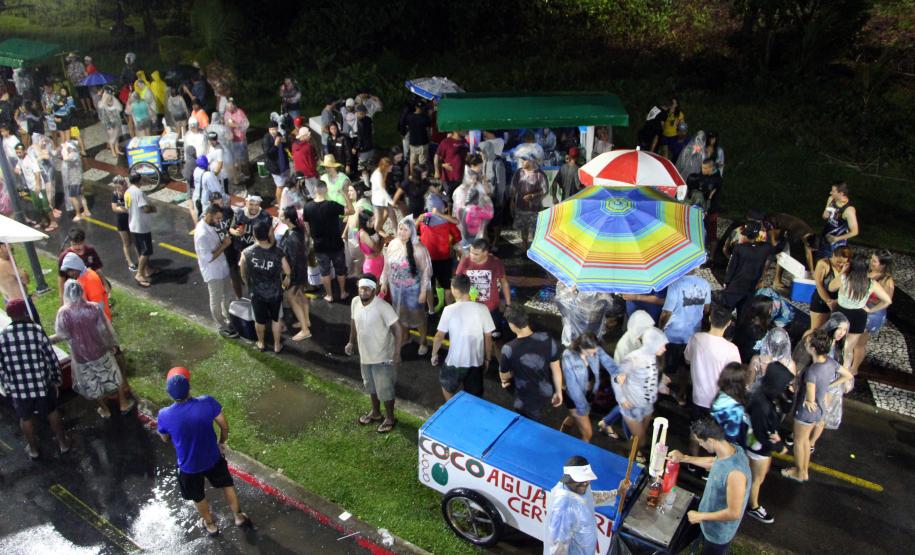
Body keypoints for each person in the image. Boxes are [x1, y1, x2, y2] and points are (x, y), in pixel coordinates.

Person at [157, 367, 252, 536]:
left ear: (169, 393)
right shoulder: (207, 402)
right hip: (213, 458)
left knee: (198, 496)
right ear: (189, 387)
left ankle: (210, 525)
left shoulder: (164, 415)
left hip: (188, 465)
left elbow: (164, 438)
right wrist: (222, 441)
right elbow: (224, 425)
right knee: (226, 484)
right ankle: (238, 517)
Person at [53, 279, 134, 418]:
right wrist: (112, 345)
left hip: (80, 357)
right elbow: (104, 330)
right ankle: (123, 403)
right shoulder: (93, 308)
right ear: (81, 291)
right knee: (114, 376)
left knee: (93, 384)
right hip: (100, 352)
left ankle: (105, 409)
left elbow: (62, 334)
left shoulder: (63, 313)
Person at [669, 419, 750, 555]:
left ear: (711, 440)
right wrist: (684, 458)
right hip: (708, 520)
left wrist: (701, 516)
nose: (700, 445)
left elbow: (734, 513)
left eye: (700, 442)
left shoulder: (735, 474)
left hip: (718, 534)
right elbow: (715, 462)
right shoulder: (731, 449)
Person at [0, 299, 69, 459]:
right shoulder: (36, 331)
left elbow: (1, 366)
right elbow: (51, 357)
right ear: (24, 312)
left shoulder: (3, 337)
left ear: (10, 316)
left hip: (19, 389)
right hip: (42, 384)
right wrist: (57, 378)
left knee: (25, 418)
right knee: (52, 412)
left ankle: (33, 449)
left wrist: (7, 386)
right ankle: (63, 444)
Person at [782, 330, 853, 483]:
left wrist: (808, 400)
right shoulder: (830, 362)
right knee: (806, 441)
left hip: (806, 413)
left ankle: (799, 472)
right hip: (819, 409)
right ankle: (804, 471)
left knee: (799, 442)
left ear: (813, 349)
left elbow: (810, 393)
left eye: (808, 343)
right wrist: (828, 386)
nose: (806, 344)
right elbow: (848, 375)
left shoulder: (812, 371)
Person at [344, 275, 403, 434]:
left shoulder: (383, 307)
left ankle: (390, 418)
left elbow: (398, 329)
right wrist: (351, 342)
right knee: (370, 386)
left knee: (385, 389)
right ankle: (376, 413)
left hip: (383, 357)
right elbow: (354, 322)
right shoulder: (355, 302)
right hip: (365, 356)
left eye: (367, 288)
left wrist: (397, 353)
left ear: (374, 290)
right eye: (361, 288)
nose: (364, 291)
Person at [544, 455, 628, 555]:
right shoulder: (563, 507)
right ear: (568, 478)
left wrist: (617, 492)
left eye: (587, 478)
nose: (585, 483)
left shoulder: (577, 485)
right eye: (581, 479)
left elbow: (590, 497)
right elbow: (558, 546)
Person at [431, 274, 495, 401]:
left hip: (455, 362)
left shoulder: (449, 310)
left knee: (447, 387)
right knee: (475, 395)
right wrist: (487, 358)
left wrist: (434, 354)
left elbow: (439, 336)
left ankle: (453, 409)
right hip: (476, 362)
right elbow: (488, 337)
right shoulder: (482, 309)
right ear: (468, 288)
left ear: (454, 290)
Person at [744, 361, 793, 524]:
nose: (788, 386)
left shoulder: (767, 393)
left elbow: (783, 410)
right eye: (786, 384)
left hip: (764, 441)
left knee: (759, 475)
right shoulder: (761, 404)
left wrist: (790, 395)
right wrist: (778, 446)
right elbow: (760, 434)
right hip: (758, 445)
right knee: (756, 478)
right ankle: (753, 506)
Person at [828, 252, 892, 372]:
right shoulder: (870, 283)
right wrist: (871, 310)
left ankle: (830, 370)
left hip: (841, 313)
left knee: (834, 344)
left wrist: (842, 272)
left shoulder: (844, 278)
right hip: (859, 315)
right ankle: (845, 377)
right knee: (848, 349)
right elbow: (887, 300)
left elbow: (831, 287)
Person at [499, 305, 563, 421]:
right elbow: (556, 369)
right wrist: (559, 392)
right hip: (546, 393)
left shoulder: (508, 349)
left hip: (525, 400)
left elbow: (504, 376)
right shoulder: (548, 339)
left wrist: (506, 380)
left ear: (511, 324)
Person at [380, 216, 432, 355]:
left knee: (418, 316)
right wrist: (384, 281)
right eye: (400, 229)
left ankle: (423, 341)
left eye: (405, 230)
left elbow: (426, 272)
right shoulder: (393, 244)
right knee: (400, 314)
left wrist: (423, 292)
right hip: (396, 288)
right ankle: (406, 336)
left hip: (413, 290)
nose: (401, 232)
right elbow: (387, 265)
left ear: (412, 232)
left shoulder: (419, 249)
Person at [239, 220, 291, 353]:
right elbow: (288, 271)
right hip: (275, 292)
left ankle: (261, 343)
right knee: (276, 319)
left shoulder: (246, 253)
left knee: (259, 320)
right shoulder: (278, 252)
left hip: (256, 293)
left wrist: (247, 283)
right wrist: (287, 279)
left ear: (254, 234)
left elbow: (243, 272)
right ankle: (277, 345)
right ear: (268, 233)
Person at [660, 269, 711, 400]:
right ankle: (682, 394)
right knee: (686, 367)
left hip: (673, 334)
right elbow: (706, 308)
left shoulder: (675, 285)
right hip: (693, 334)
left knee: (670, 367)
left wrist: (660, 328)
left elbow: (666, 313)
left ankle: (666, 393)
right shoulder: (704, 283)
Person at [560, 332, 620, 443]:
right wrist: (583, 408)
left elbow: (609, 363)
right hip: (575, 399)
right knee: (587, 433)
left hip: (589, 395)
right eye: (590, 353)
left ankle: (561, 436)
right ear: (581, 347)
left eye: (595, 352)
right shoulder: (568, 356)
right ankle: (580, 455)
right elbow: (573, 387)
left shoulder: (594, 349)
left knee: (573, 418)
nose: (593, 355)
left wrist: (619, 374)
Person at [616, 328, 668, 456]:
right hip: (632, 405)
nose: (665, 348)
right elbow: (618, 378)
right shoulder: (634, 358)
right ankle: (628, 458)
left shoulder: (656, 358)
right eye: (662, 345)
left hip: (646, 404)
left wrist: (661, 385)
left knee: (639, 438)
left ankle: (629, 455)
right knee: (641, 439)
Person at [685, 303, 741, 422]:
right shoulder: (732, 349)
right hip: (718, 401)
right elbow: (735, 378)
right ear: (728, 323)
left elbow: (687, 359)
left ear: (710, 318)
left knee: (696, 429)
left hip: (697, 397)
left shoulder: (696, 338)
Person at [302, 179, 354, 302]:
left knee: (324, 272)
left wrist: (311, 238)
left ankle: (329, 295)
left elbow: (307, 227)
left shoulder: (307, 207)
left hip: (320, 247)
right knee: (340, 270)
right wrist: (345, 194)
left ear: (315, 190)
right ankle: (342, 293)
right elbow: (351, 211)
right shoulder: (332, 205)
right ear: (325, 190)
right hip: (336, 244)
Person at [194, 204, 238, 338]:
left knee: (228, 295)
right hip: (213, 273)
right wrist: (224, 245)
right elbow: (208, 258)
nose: (219, 222)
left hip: (221, 268)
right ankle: (221, 326)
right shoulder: (201, 234)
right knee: (216, 301)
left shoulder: (210, 226)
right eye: (217, 219)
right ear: (208, 215)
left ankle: (228, 318)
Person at [455, 238, 511, 337]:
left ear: (485, 253)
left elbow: (504, 283)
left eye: (476, 254)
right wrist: (458, 302)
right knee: (474, 335)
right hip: (470, 307)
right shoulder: (465, 262)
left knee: (494, 337)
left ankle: (490, 352)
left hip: (491, 308)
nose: (472, 256)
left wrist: (508, 305)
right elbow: (457, 283)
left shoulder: (495, 262)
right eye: (471, 252)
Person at [721, 222, 779, 316]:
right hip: (751, 285)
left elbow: (732, 266)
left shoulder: (739, 248)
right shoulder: (765, 248)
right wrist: (766, 236)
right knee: (743, 313)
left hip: (737, 284)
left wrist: (727, 282)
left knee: (726, 310)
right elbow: (775, 249)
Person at [853, 250, 895, 374]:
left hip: (872, 314)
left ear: (882, 264)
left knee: (859, 343)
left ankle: (854, 368)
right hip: (859, 308)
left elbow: (886, 302)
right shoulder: (868, 271)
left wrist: (870, 310)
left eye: (874, 261)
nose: (871, 262)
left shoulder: (887, 281)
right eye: (871, 259)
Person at [278, 206, 312, 341]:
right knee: (301, 295)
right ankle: (306, 321)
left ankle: (305, 330)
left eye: (281, 215)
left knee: (291, 298)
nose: (279, 216)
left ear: (287, 219)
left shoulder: (292, 236)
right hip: (302, 269)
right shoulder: (297, 231)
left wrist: (288, 276)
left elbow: (292, 259)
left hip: (296, 272)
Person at [418, 210, 461, 310]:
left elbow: (413, 232)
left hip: (427, 260)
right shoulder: (447, 222)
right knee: (446, 285)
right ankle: (449, 309)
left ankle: (431, 310)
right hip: (444, 259)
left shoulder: (423, 220)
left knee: (430, 285)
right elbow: (457, 237)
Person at [806, 245, 850, 335]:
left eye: (843, 262)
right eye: (838, 261)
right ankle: (803, 346)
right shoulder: (823, 264)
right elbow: (819, 285)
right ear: (833, 255)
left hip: (837, 302)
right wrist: (829, 302)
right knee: (815, 330)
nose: (840, 264)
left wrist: (843, 271)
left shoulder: (846, 267)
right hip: (822, 300)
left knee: (828, 331)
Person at [767, 212, 816, 289]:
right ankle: (768, 279)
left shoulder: (806, 234)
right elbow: (808, 252)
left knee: (783, 255)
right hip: (776, 225)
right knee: (782, 255)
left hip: (786, 229)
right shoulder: (803, 234)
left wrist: (812, 270)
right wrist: (774, 243)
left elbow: (808, 252)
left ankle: (777, 280)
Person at [125, 173, 157, 287]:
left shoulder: (127, 192)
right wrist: (153, 208)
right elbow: (145, 208)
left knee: (140, 250)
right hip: (141, 226)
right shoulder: (139, 192)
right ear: (140, 181)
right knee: (146, 251)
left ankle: (147, 270)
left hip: (132, 224)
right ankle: (139, 274)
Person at [510, 155, 547, 249]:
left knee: (535, 231)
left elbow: (545, 190)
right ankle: (524, 247)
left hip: (534, 208)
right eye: (521, 160)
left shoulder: (539, 174)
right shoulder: (519, 172)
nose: (522, 162)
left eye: (524, 160)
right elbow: (513, 188)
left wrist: (533, 196)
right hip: (520, 206)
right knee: (523, 228)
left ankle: (534, 251)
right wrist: (512, 200)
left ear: (531, 161)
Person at [59, 252, 111, 320]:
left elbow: (98, 306)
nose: (69, 274)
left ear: (77, 266)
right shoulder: (80, 276)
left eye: (71, 270)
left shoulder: (91, 279)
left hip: (100, 322)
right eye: (68, 271)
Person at [710, 363, 748, 445]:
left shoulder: (721, 395)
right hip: (730, 450)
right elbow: (733, 436)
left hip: (718, 443)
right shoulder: (736, 409)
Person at [819, 181, 858, 259]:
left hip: (837, 245)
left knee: (831, 264)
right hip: (825, 237)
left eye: (833, 191)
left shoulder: (849, 210)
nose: (830, 193)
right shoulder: (831, 199)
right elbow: (824, 216)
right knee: (821, 260)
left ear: (841, 193)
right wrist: (828, 207)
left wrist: (837, 239)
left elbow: (855, 232)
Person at [731, 295, 773, 363]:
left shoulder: (750, 320)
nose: (772, 310)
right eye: (770, 308)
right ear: (765, 310)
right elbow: (744, 351)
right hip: (747, 361)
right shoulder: (751, 329)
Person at [110, 176, 138, 271]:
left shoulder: (130, 192)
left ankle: (140, 259)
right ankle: (129, 262)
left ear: (124, 184)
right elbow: (114, 208)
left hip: (132, 220)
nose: (118, 189)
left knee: (135, 241)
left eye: (119, 187)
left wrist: (122, 209)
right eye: (116, 187)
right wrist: (125, 209)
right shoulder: (115, 194)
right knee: (126, 243)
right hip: (122, 222)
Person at [60, 139, 89, 220]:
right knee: (81, 196)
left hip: (74, 181)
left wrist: (64, 148)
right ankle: (86, 211)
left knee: (73, 197)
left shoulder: (73, 155)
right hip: (78, 179)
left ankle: (78, 214)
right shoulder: (76, 154)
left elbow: (65, 158)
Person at [434, 130, 467, 197]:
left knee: (459, 197)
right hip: (449, 178)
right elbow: (436, 157)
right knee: (448, 198)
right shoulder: (445, 142)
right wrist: (438, 169)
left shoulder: (465, 142)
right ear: (455, 130)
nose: (465, 130)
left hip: (462, 177)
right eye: (462, 128)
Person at [263, 121, 289, 203]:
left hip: (284, 164)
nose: (274, 131)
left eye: (275, 129)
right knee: (280, 186)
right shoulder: (266, 139)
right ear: (269, 130)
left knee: (285, 184)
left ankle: (285, 200)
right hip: (275, 167)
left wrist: (285, 141)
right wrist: (275, 145)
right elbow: (268, 154)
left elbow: (284, 146)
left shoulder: (279, 134)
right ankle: (279, 203)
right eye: (271, 129)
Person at [223, 98, 249, 181]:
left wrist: (236, 125)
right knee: (235, 159)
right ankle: (239, 174)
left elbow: (246, 124)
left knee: (243, 159)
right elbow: (226, 124)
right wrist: (227, 125)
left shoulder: (239, 112)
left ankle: (247, 175)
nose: (228, 109)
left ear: (234, 106)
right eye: (227, 107)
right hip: (231, 139)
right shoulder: (226, 113)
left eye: (230, 107)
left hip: (240, 139)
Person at [404, 100, 431, 175]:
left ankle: (412, 175)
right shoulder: (425, 118)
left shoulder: (409, 117)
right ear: (422, 108)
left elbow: (407, 127)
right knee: (422, 162)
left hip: (413, 142)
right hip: (423, 142)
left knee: (412, 161)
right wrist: (430, 139)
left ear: (415, 107)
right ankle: (421, 177)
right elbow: (428, 130)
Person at [370, 157, 394, 237]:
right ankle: (378, 232)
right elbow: (382, 189)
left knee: (391, 215)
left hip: (383, 199)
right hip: (378, 201)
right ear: (385, 167)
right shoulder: (378, 175)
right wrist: (391, 201)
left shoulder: (383, 172)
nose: (392, 168)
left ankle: (394, 232)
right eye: (390, 167)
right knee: (379, 220)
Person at [356, 209, 384, 280]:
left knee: (378, 284)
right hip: (371, 265)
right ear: (364, 222)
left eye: (374, 219)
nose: (374, 222)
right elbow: (378, 249)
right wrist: (383, 239)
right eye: (371, 221)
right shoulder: (363, 234)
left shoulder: (373, 228)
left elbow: (384, 235)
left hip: (380, 260)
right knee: (372, 287)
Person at [292, 127, 319, 198]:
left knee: (310, 190)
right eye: (308, 135)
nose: (309, 136)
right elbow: (312, 162)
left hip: (300, 173)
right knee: (316, 192)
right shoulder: (308, 147)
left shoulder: (294, 145)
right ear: (303, 136)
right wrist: (316, 174)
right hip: (309, 173)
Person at [97, 90, 124, 157]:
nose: (108, 97)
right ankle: (113, 152)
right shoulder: (101, 104)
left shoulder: (114, 101)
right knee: (111, 137)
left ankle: (117, 150)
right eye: (107, 95)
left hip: (116, 122)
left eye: (109, 95)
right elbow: (101, 113)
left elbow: (120, 109)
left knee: (116, 137)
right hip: (108, 123)